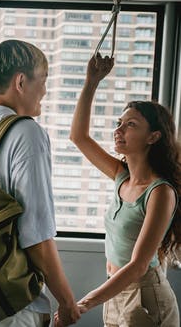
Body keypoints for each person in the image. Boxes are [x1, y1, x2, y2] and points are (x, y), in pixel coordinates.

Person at [0, 40, 81, 327]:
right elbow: (36, 235)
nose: (44, 91)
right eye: (42, 81)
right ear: (21, 81)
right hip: (12, 305)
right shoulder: (27, 133)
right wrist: (67, 302)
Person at [68, 53, 180, 326]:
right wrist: (91, 82)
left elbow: (139, 265)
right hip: (116, 291)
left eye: (130, 125)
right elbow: (79, 137)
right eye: (119, 123)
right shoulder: (122, 177)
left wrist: (84, 303)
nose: (119, 130)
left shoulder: (160, 192)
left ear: (153, 137)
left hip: (145, 295)